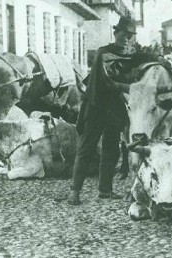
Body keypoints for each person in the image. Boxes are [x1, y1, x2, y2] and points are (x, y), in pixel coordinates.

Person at [68, 16, 137, 204]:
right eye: (124, 34)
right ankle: (74, 191)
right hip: (96, 105)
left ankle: (105, 191)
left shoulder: (129, 55)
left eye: (131, 35)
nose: (127, 39)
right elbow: (108, 81)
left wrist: (159, 60)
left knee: (111, 149)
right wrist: (128, 88)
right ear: (116, 33)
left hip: (114, 108)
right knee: (86, 148)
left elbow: (140, 64)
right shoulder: (103, 53)